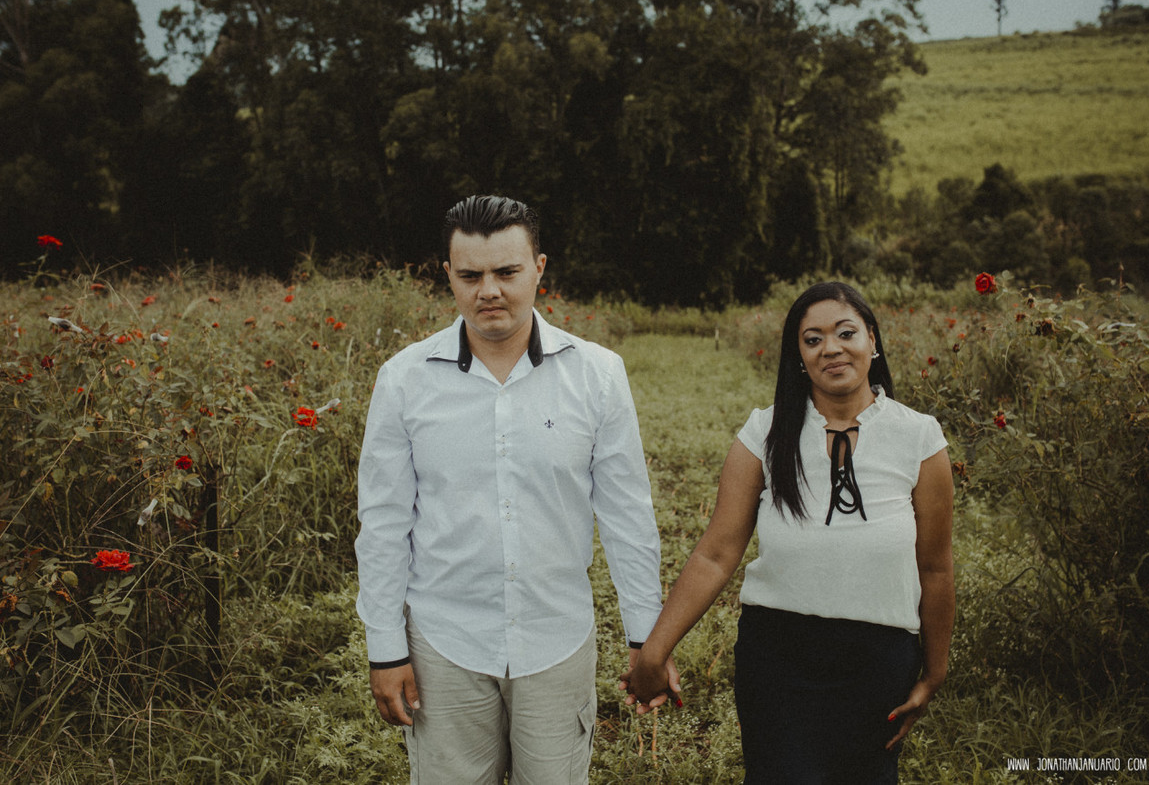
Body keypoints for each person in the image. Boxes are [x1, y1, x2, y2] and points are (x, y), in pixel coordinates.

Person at [355, 194, 677, 784]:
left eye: (507, 272)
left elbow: (628, 516)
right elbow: (382, 524)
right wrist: (386, 649)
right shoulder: (404, 379)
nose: (490, 291)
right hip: (444, 641)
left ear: (539, 268)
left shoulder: (597, 374)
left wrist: (646, 640)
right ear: (447, 275)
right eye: (471, 275)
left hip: (556, 637)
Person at [621, 282, 955, 784]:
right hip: (778, 657)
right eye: (812, 339)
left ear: (873, 341)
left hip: (879, 660)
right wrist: (653, 651)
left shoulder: (920, 437)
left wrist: (934, 671)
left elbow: (935, 566)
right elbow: (717, 552)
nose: (832, 349)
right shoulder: (765, 432)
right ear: (798, 357)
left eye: (846, 333)